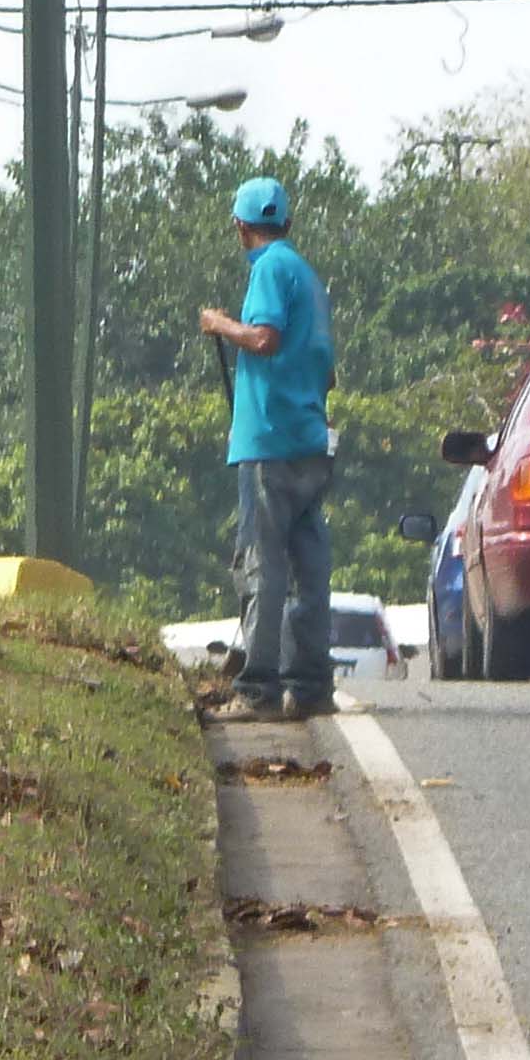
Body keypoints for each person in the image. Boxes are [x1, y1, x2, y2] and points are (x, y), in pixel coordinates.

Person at [198, 175, 337, 720]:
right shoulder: (307, 274)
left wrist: (219, 324)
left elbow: (264, 338)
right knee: (309, 562)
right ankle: (310, 686)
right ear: (287, 222)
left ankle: (257, 688)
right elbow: (324, 366)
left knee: (262, 561)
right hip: (309, 436)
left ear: (240, 227)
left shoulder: (268, 270)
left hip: (268, 439)